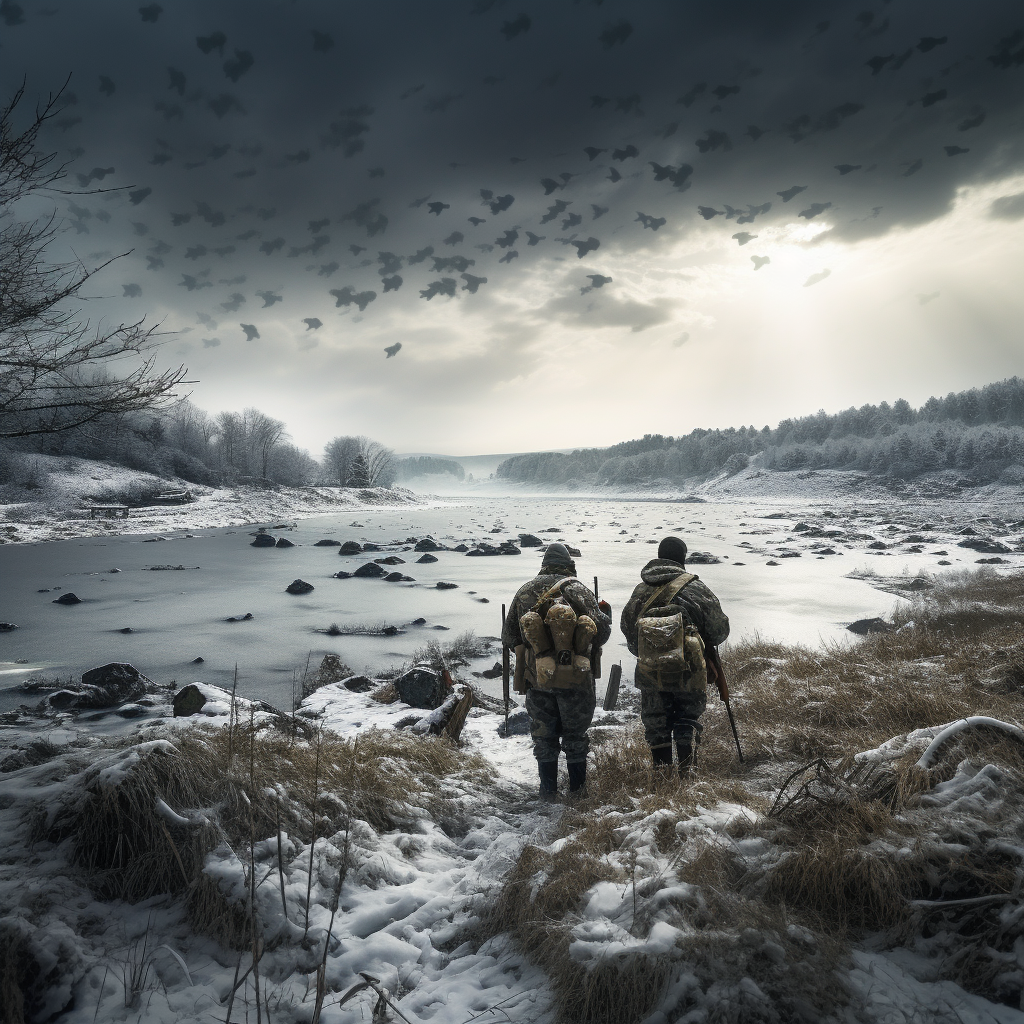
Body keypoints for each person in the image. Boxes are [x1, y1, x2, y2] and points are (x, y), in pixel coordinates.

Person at [502, 542, 611, 800]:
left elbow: (509, 638)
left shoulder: (525, 591)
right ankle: (578, 792)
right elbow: (601, 634)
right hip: (577, 677)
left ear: (543, 564)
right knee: (575, 737)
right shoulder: (580, 590)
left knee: (544, 737)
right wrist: (605, 614)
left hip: (538, 677)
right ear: (569, 564)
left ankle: (548, 791)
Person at [619, 536, 730, 774]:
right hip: (690, 670)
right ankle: (686, 774)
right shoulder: (696, 588)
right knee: (687, 717)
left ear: (659, 557)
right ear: (683, 559)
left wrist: (651, 652)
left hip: (650, 671)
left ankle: (663, 778)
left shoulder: (641, 590)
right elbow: (720, 631)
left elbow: (628, 631)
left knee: (657, 723)